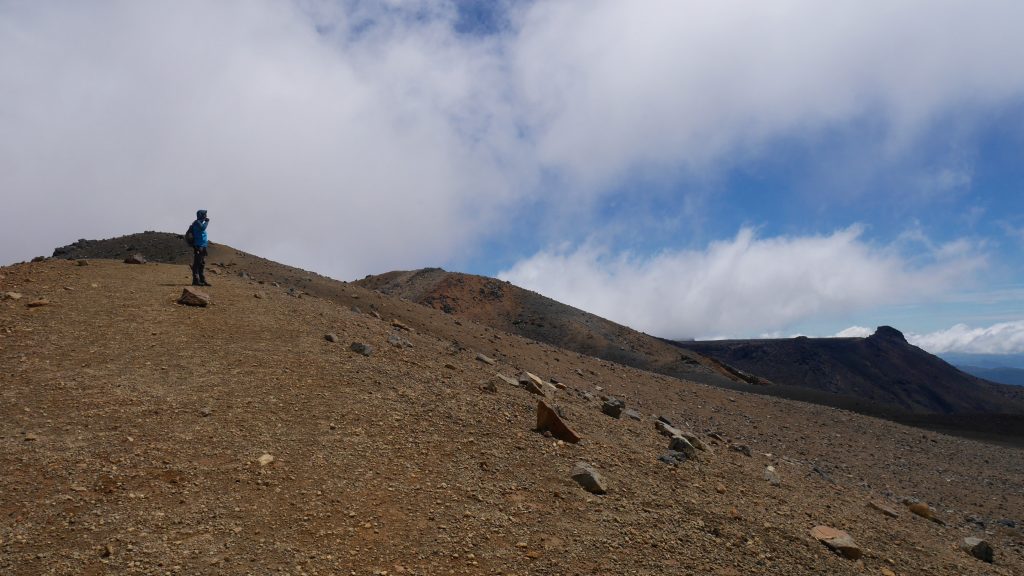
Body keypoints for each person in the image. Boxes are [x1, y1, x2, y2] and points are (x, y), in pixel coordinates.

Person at [190, 210, 211, 286]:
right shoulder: (197, 222)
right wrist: (207, 222)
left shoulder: (200, 222)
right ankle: (195, 280)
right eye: (205, 214)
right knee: (197, 263)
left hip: (203, 246)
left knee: (202, 263)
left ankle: (202, 280)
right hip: (198, 246)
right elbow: (203, 228)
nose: (206, 216)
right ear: (201, 215)